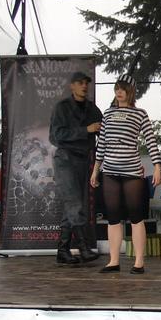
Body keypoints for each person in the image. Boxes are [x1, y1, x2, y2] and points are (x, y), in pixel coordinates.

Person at [90, 75, 161, 274]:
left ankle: (139, 261)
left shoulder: (140, 113)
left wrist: (157, 166)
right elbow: (101, 144)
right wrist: (96, 170)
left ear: (131, 92)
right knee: (112, 217)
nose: (119, 92)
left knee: (136, 217)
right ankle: (114, 261)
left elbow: (151, 140)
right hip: (110, 171)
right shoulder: (108, 113)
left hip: (132, 171)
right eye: (117, 88)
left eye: (123, 88)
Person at [49, 70, 103, 265]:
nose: (84, 86)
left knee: (72, 206)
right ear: (72, 86)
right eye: (80, 83)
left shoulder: (92, 109)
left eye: (86, 83)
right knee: (75, 205)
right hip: (65, 159)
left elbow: (104, 129)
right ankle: (83, 247)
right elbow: (55, 136)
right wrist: (85, 130)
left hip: (83, 161)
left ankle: (62, 250)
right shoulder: (62, 108)